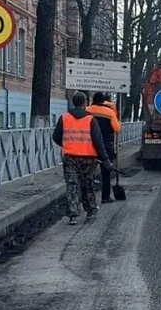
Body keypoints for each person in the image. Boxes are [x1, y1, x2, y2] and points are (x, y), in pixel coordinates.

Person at [52, 93, 113, 224]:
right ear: (85, 103)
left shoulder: (64, 117)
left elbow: (56, 137)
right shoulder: (91, 120)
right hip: (88, 159)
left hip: (70, 157)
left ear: (74, 103)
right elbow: (98, 142)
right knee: (87, 184)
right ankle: (90, 210)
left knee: (72, 184)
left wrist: (68, 145)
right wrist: (106, 160)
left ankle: (73, 214)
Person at [86, 92, 121, 203]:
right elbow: (117, 129)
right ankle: (105, 197)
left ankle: (87, 198)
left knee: (87, 173)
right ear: (103, 101)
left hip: (88, 145)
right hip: (106, 146)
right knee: (106, 172)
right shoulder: (109, 112)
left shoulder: (86, 110)